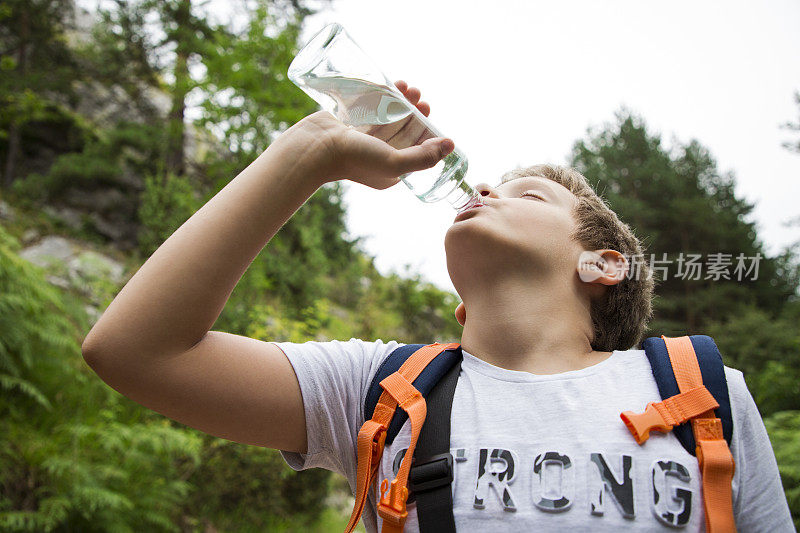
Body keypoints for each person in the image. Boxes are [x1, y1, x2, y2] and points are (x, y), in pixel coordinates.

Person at [81, 80, 793, 532]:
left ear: (604, 262)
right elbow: (136, 350)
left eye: (528, 194)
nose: (483, 188)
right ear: (461, 306)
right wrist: (311, 151)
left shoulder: (701, 393)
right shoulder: (386, 390)